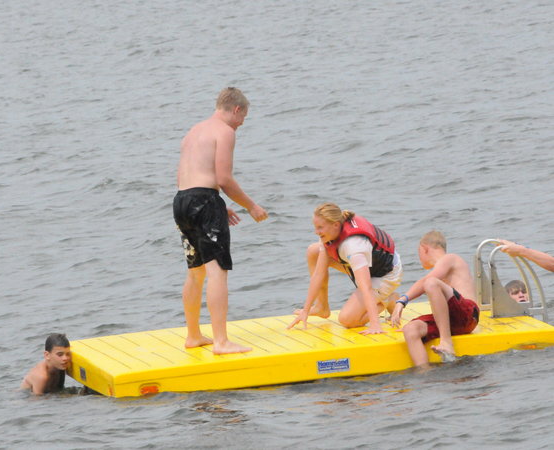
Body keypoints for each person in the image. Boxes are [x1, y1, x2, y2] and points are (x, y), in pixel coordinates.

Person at [173, 87, 268, 355]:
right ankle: (221, 342)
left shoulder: (194, 131)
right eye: (243, 118)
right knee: (217, 270)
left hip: (182, 200)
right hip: (204, 201)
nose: (241, 124)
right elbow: (224, 178)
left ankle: (193, 335)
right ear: (236, 109)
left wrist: (217, 203)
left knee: (196, 271)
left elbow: (187, 176)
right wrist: (252, 207)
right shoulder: (224, 131)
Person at [287, 203, 403, 334]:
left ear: (336, 225)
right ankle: (321, 307)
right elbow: (318, 275)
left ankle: (388, 300)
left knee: (348, 320)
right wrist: (306, 310)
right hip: (366, 265)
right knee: (313, 251)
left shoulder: (354, 246)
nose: (316, 231)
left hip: (385, 274)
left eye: (320, 227)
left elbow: (366, 287)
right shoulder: (329, 234)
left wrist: (375, 324)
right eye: (315, 227)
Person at [390, 231, 479, 366]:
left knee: (431, 283)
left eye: (419, 252)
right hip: (452, 321)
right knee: (410, 329)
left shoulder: (450, 258)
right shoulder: (441, 271)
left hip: (468, 314)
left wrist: (402, 301)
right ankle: (424, 373)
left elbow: (425, 282)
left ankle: (446, 341)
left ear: (424, 248)